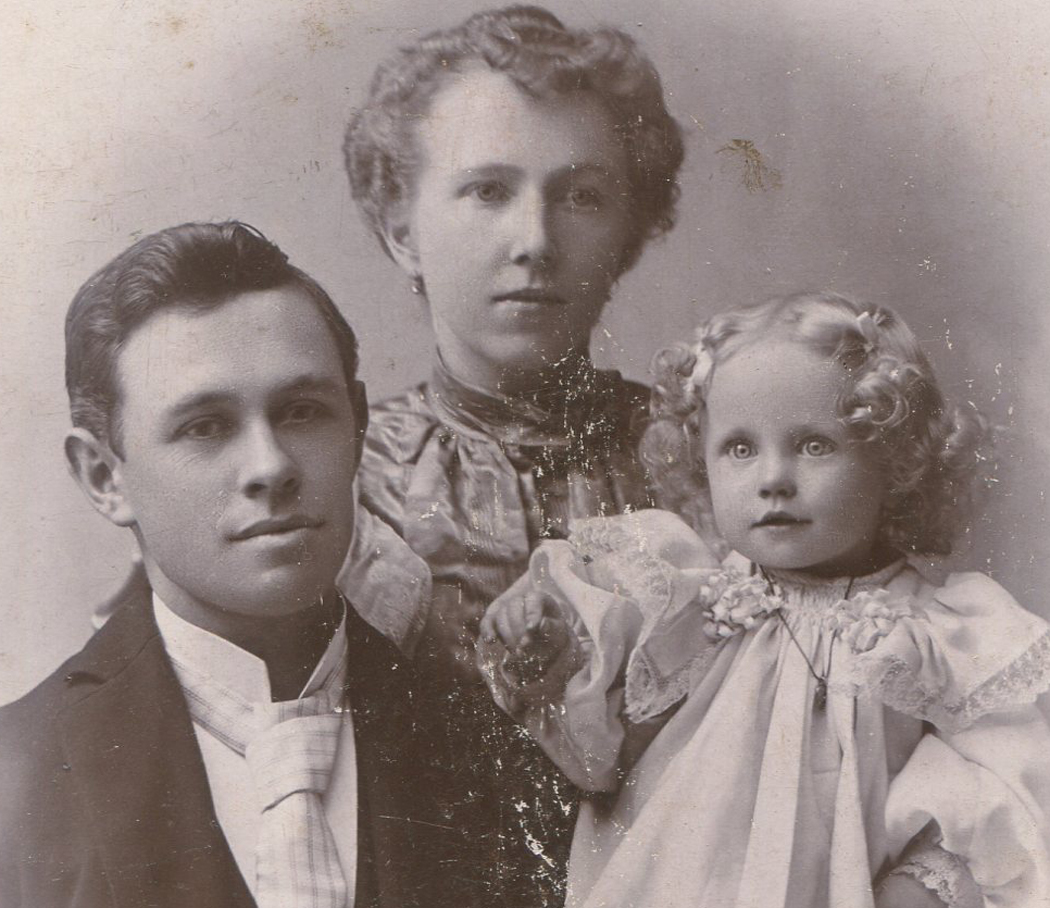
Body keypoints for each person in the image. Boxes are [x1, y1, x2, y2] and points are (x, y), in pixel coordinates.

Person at [480, 291, 1050, 908]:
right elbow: (605, 753)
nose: (773, 478)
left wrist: (925, 884)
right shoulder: (690, 599)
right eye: (740, 448)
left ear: (893, 460)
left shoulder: (936, 633)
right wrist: (552, 653)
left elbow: (1003, 788)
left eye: (814, 445)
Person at [341, 6, 687, 903]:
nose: (535, 240)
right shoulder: (342, 483)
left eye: (582, 196)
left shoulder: (705, 464)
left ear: (630, 231)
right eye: (488, 190)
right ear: (402, 230)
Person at [0, 222, 448, 908]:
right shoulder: (17, 779)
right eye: (204, 427)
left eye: (302, 412)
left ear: (357, 426)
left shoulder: (481, 744)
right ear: (103, 476)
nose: (271, 466)